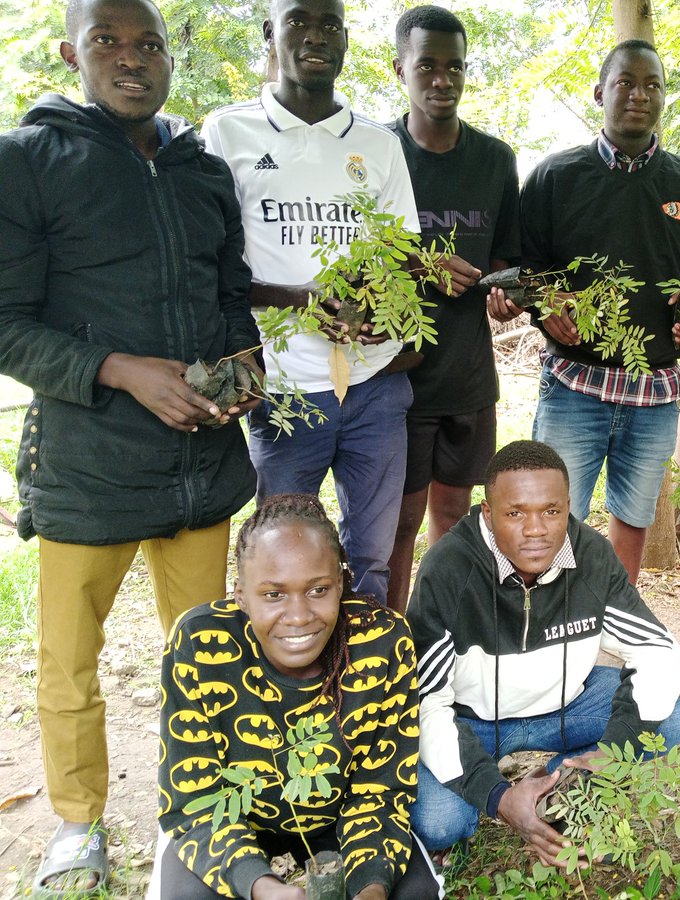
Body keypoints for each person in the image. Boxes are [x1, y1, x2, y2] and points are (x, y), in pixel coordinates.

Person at [0, 0, 259, 892]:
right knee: (70, 663)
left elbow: (229, 296)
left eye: (147, 42)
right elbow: (4, 324)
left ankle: (204, 811)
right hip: (87, 467)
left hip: (199, 472)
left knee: (207, 653)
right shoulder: (28, 160)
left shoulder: (202, 170)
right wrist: (119, 369)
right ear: (71, 52)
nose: (131, 58)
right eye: (107, 41)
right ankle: (78, 822)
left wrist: (243, 364)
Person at [202, 0, 420, 605]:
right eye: (299, 21)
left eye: (331, 26)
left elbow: (402, 252)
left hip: (375, 389)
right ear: (271, 34)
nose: (315, 36)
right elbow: (210, 261)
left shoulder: (377, 143)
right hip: (283, 389)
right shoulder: (227, 132)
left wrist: (380, 306)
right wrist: (299, 300)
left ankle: (362, 683)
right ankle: (288, 690)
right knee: (283, 559)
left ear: (347, 42)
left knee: (372, 558)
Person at [492, 39, 680, 582]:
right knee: (551, 517)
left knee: (633, 517)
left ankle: (611, 630)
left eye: (653, 85)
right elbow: (528, 268)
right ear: (600, 92)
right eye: (625, 82)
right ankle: (549, 630)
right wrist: (546, 309)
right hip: (574, 385)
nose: (639, 95)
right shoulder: (555, 177)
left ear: (665, 96)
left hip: (654, 392)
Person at [405, 440, 680, 867]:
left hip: (564, 707)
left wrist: (611, 753)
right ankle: (511, 800)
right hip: (472, 722)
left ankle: (559, 785)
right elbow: (427, 701)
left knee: (668, 718)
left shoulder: (590, 555)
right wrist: (497, 797)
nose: (535, 530)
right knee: (439, 822)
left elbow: (657, 651)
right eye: (515, 513)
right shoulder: (448, 569)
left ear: (569, 506)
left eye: (551, 511)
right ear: (488, 512)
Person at [151, 494, 442, 899]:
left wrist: (370, 889)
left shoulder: (383, 641)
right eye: (273, 595)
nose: (299, 615)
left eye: (318, 589)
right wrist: (264, 887)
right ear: (240, 595)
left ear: (341, 583)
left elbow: (380, 789)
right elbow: (195, 799)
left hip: (340, 825)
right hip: (231, 823)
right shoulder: (200, 645)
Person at [385, 5, 521, 612]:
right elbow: (351, 260)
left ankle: (438, 629)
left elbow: (509, 264)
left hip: (468, 373)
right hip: (397, 374)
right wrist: (421, 264)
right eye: (427, 66)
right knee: (399, 519)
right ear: (400, 70)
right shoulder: (376, 153)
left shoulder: (495, 160)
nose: (442, 79)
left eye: (454, 67)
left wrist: (506, 296)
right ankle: (387, 641)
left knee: (454, 513)